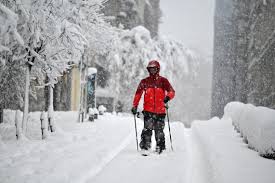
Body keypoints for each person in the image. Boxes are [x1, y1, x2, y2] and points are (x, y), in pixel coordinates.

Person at [131, 60, 175, 153]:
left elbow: (172, 92)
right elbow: (138, 94)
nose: (152, 70)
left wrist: (167, 97)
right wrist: (135, 106)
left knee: (159, 131)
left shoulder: (163, 81)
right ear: (148, 70)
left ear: (157, 69)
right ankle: (145, 146)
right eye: (151, 69)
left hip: (160, 111)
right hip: (148, 111)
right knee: (147, 129)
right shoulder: (144, 82)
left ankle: (160, 147)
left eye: (154, 69)